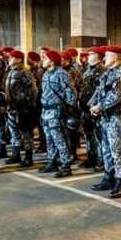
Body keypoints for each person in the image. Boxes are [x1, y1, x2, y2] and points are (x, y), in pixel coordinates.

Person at [89, 45, 121, 198]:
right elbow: (100, 91)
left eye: (106, 56)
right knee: (106, 149)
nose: (104, 58)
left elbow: (116, 96)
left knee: (116, 151)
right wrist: (92, 105)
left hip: (116, 118)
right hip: (106, 118)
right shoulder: (108, 73)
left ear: (115, 58)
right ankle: (109, 177)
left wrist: (99, 107)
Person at [38, 50, 77, 178]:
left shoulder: (62, 74)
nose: (43, 61)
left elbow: (71, 92)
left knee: (59, 139)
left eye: (45, 59)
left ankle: (66, 165)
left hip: (56, 111)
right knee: (49, 138)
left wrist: (69, 110)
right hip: (46, 111)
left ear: (52, 61)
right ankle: (52, 161)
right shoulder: (45, 74)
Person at [3, 50, 39, 167]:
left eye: (11, 58)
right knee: (14, 133)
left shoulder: (25, 72)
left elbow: (33, 91)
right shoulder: (10, 71)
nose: (9, 59)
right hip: (11, 108)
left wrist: (27, 106)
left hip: (22, 108)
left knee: (26, 133)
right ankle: (16, 154)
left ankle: (28, 157)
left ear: (18, 60)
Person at [78, 46, 105, 169]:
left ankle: (101, 160)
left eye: (91, 54)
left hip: (95, 109)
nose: (88, 56)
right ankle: (91, 157)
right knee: (88, 135)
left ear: (98, 56)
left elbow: (101, 91)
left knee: (99, 136)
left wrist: (95, 106)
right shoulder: (88, 69)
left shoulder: (102, 70)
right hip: (86, 108)